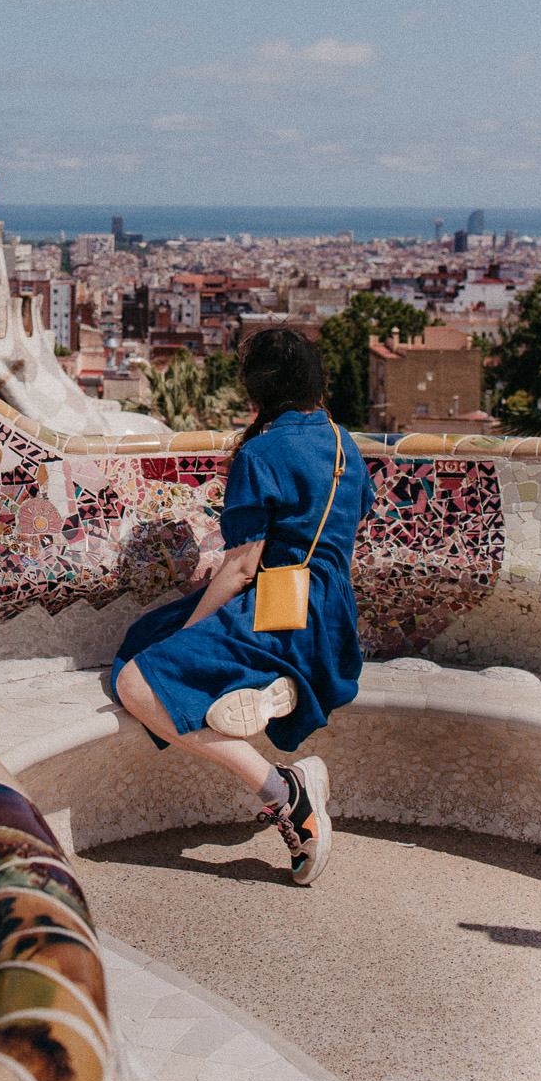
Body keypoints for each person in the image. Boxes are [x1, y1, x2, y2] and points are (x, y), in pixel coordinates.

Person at [112, 327, 374, 885]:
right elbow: (347, 524)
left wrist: (192, 629)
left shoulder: (260, 452)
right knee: (145, 634)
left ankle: (285, 791)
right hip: (329, 616)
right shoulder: (342, 440)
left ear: (256, 392)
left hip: (279, 613)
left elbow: (240, 566)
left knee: (135, 680)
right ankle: (244, 687)